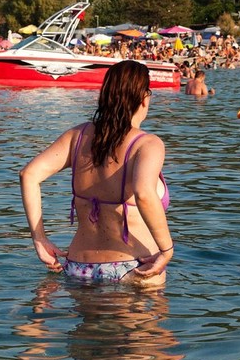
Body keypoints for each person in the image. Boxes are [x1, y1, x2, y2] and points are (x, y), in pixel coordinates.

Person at [20, 60, 174, 287]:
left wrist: (40, 239)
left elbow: (28, 175)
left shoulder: (77, 136)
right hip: (133, 268)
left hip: (78, 268)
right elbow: (143, 193)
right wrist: (167, 249)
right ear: (144, 97)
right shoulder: (148, 144)